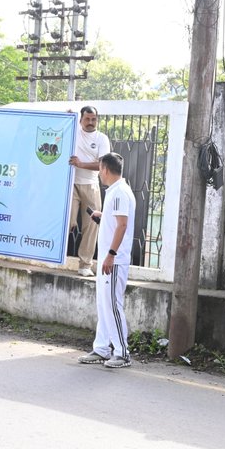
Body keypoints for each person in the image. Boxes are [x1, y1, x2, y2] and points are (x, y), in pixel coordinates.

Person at [77, 153, 136, 368]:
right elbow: (115, 222)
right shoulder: (115, 192)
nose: (99, 173)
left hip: (114, 260)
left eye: (99, 169)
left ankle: (122, 353)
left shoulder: (120, 192)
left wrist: (111, 255)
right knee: (103, 305)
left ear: (105, 169)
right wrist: (102, 217)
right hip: (107, 260)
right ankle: (101, 348)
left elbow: (122, 225)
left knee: (112, 305)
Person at [67, 106, 111, 277]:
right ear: (81, 120)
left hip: (91, 186)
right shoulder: (74, 132)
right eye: (87, 119)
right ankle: (53, 256)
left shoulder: (102, 139)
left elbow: (102, 165)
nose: (91, 122)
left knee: (91, 225)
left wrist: (81, 164)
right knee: (67, 222)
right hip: (71, 185)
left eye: (94, 119)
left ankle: (85, 265)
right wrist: (66, 116)